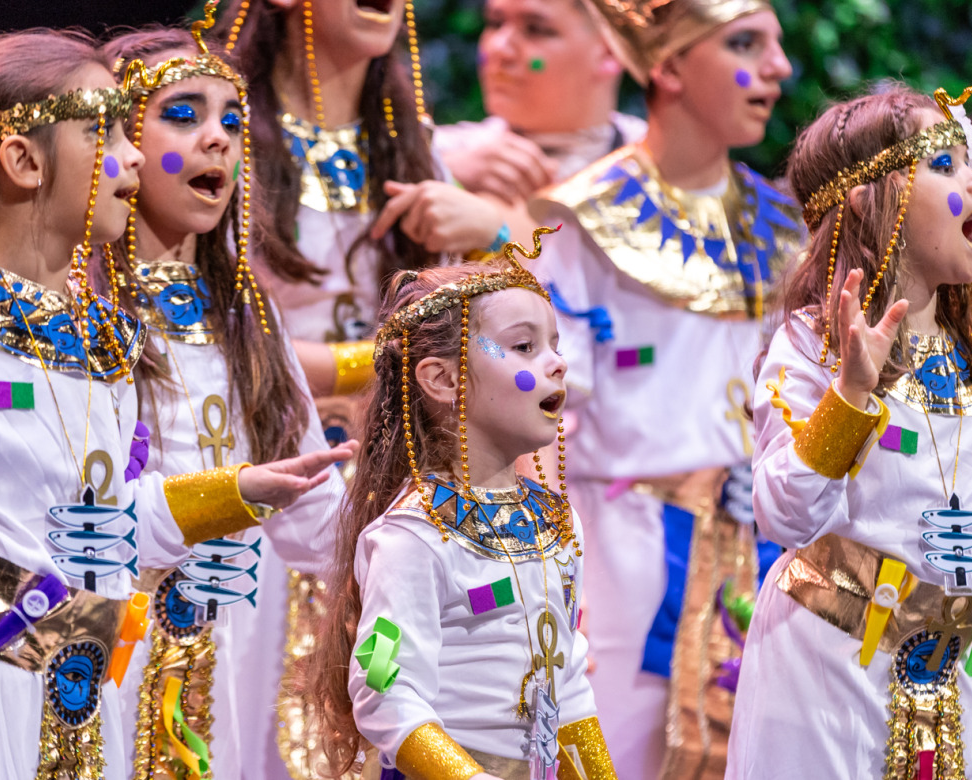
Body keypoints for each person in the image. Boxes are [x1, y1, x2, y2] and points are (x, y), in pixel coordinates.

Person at [0, 28, 344, 780]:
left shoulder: (100, 335)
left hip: (80, 669)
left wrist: (235, 493)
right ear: (24, 162)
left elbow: (115, 516)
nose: (132, 156)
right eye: (105, 132)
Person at [730, 85, 972, 779]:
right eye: (946, 163)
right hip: (828, 673)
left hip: (949, 686)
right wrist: (851, 399)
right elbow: (785, 512)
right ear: (868, 200)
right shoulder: (814, 345)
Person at [219, 3, 510, 776]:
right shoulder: (226, 137)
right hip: (272, 469)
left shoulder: (412, 147)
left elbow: (498, 329)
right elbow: (223, 335)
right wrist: (380, 361)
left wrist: (493, 229)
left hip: (395, 480)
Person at [528, 0, 799, 775]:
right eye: (746, 43)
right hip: (626, 551)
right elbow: (539, 412)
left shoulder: (787, 226)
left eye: (776, 45)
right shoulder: (578, 221)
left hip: (770, 542)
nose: (778, 67)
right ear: (669, 65)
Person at [103, 11, 355, 780]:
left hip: (228, 633)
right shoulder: (78, 311)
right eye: (183, 115)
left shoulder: (247, 316)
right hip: (106, 635)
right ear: (112, 146)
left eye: (232, 121)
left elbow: (318, 517)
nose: (218, 137)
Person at [308, 233, 618, 780]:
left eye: (556, 345)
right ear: (444, 379)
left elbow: (567, 682)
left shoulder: (554, 522)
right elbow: (385, 689)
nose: (558, 365)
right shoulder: (411, 537)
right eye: (524, 348)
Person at [433, 0, 646, 239]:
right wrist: (444, 173)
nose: (499, 48)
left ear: (610, 51)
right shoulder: (442, 153)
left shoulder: (658, 164)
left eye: (535, 29)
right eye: (495, 23)